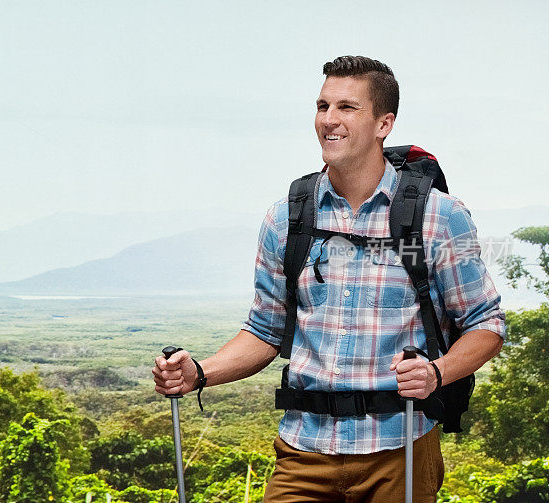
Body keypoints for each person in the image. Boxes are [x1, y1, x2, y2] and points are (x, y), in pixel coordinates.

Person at [152, 55, 506, 502]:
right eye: (322, 106)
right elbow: (265, 330)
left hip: (399, 449)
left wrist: (437, 373)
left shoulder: (436, 218)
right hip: (303, 451)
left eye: (347, 107)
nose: (329, 120)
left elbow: (485, 324)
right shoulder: (287, 218)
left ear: (384, 123)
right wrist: (200, 373)